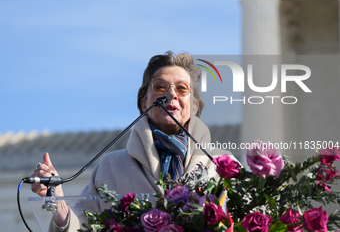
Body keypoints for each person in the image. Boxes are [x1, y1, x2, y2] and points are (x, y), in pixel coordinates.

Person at [31, 51, 239, 231]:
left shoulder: (222, 164)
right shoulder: (111, 167)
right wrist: (57, 198)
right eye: (160, 87)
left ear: (194, 107)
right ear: (143, 103)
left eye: (182, 89)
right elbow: (83, 228)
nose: (171, 94)